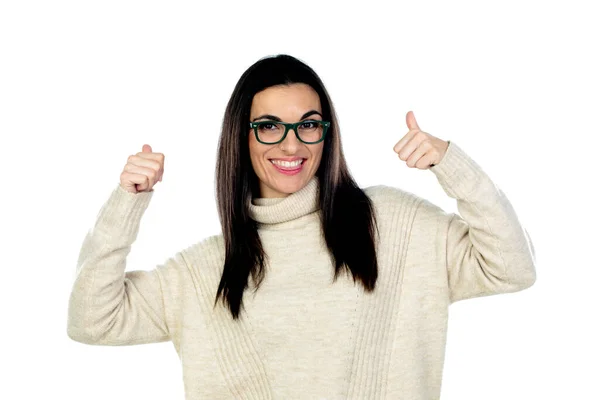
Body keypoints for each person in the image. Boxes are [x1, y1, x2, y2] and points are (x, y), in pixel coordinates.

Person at [67, 54, 536, 399]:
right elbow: (92, 321)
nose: (292, 145)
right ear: (242, 137)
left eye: (309, 125)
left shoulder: (395, 226)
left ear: (326, 134)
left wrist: (451, 164)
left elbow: (512, 267)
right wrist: (126, 203)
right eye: (269, 126)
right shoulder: (203, 271)